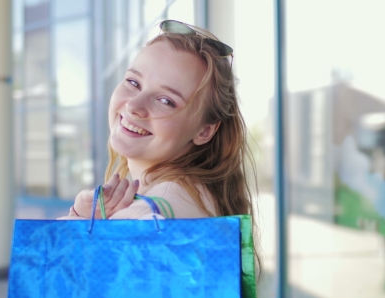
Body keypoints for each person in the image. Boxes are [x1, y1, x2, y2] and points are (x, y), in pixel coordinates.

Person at [68, 20, 256, 225]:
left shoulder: (143, 216)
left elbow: (43, 257)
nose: (133, 106)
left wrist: (77, 219)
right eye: (133, 82)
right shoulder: (198, 194)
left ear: (205, 131)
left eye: (166, 101)